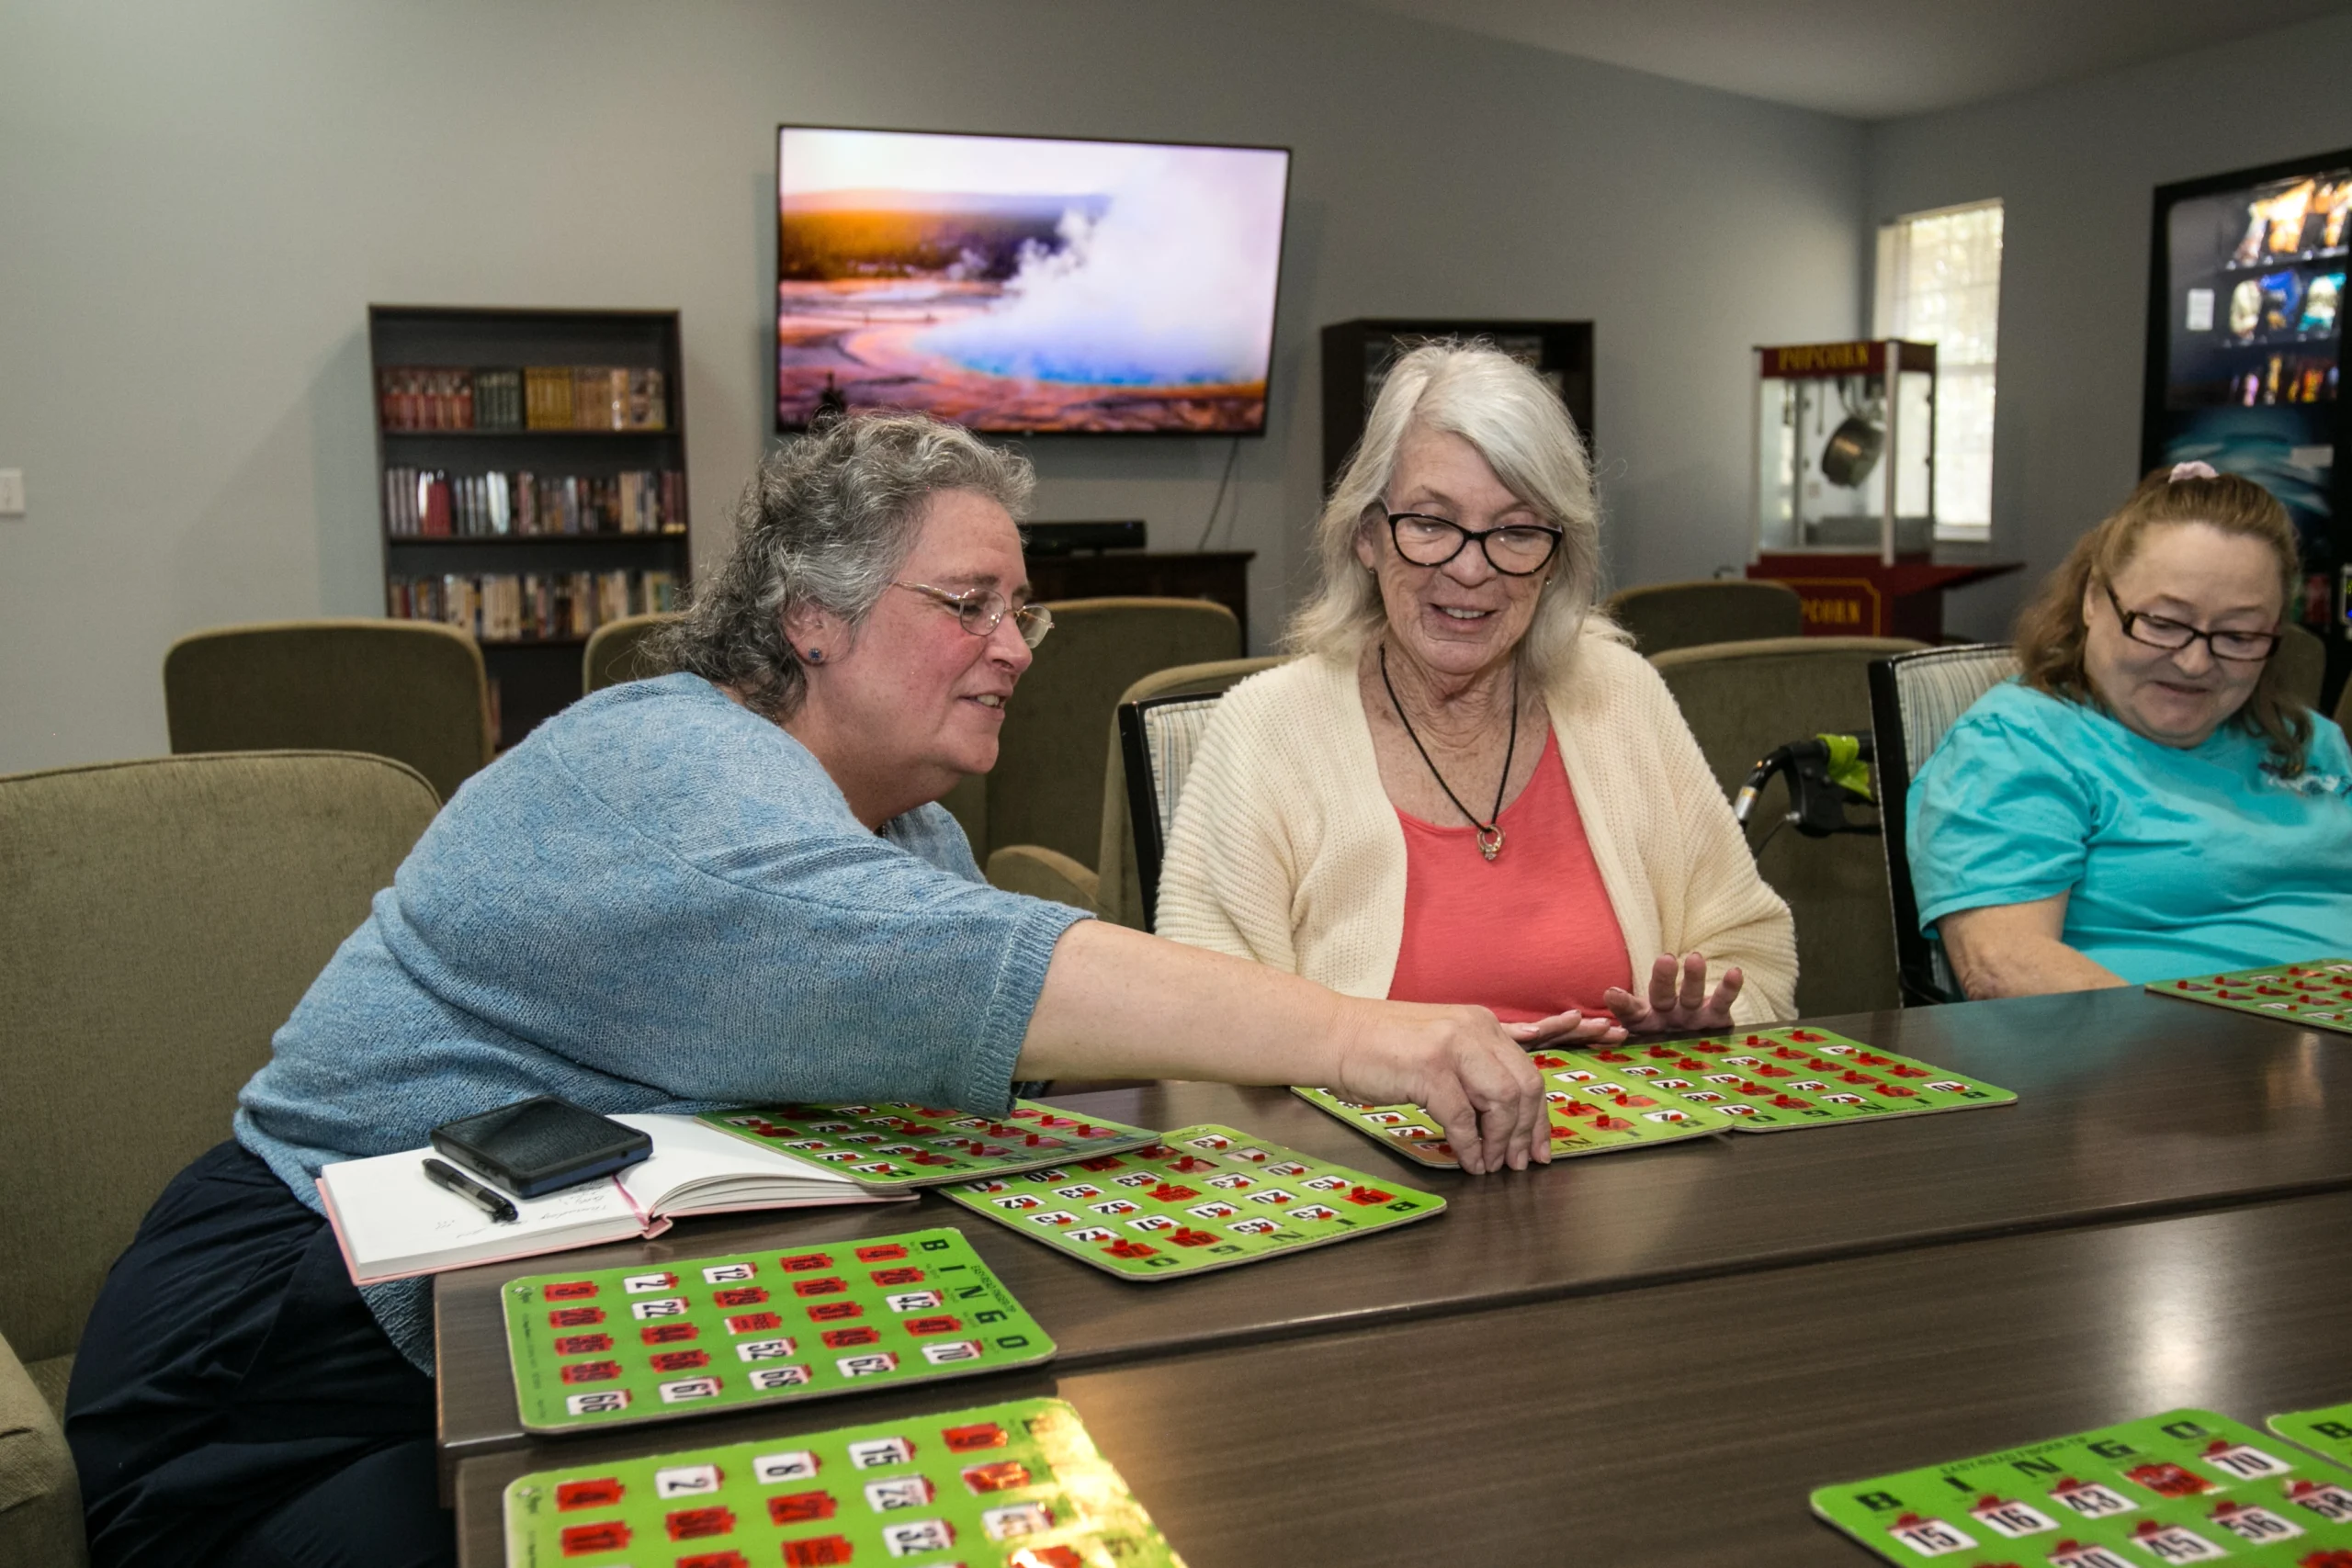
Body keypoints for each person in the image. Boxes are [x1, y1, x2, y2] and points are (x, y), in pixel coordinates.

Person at [64, 412, 1550, 1568]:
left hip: (549, 1315)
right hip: (287, 1365)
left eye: (1023, 611)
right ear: (810, 617)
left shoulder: (909, 825)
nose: (1015, 647)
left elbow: (990, 1053)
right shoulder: (666, 769)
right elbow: (974, 972)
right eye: (970, 602)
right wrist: (1358, 1031)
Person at [1155, 344, 1797, 1039]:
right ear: (1367, 536)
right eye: (1431, 523)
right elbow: (1197, 1025)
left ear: (1556, 558)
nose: (1469, 569)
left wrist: (1702, 1022)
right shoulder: (1263, 729)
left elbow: (1754, 954)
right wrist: (1389, 1058)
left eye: (1516, 531)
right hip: (1358, 1113)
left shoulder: (1622, 697)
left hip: (1627, 1106)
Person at [1909, 462, 2352, 997]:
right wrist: (2220, 1042)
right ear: (2094, 598)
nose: (2194, 663)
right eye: (2162, 624)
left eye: (2239, 636)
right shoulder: (2018, 745)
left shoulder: (2309, 742)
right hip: (2178, 1043)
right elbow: (2005, 968)